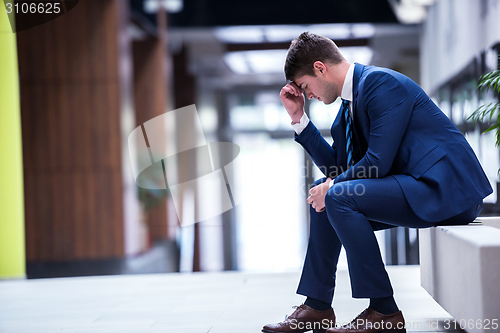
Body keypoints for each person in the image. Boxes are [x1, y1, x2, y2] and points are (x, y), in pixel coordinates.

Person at [262, 32, 493, 333]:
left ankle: (384, 311)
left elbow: (376, 163)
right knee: (328, 191)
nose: (308, 95)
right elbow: (338, 169)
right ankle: (318, 306)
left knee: (337, 194)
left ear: (320, 68)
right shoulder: (346, 111)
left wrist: (332, 188)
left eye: (305, 87)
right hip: (414, 186)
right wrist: (299, 119)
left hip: (446, 191)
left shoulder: (380, 84)